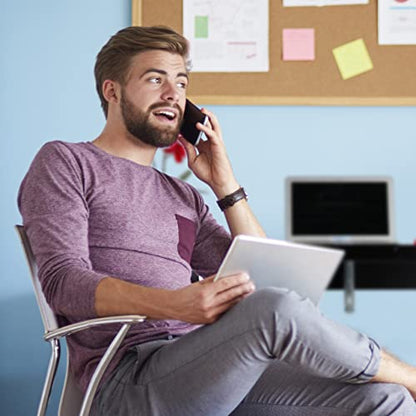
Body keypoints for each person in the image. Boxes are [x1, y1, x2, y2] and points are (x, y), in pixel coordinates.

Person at [18, 26, 416, 416]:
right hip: (130, 378)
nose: (173, 94)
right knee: (273, 310)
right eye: (156, 79)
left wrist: (225, 185)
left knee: (388, 399)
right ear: (112, 91)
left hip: (209, 367)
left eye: (182, 82)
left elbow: (266, 281)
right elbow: (62, 281)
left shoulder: (184, 194)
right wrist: (174, 304)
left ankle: (405, 381)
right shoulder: (66, 162)